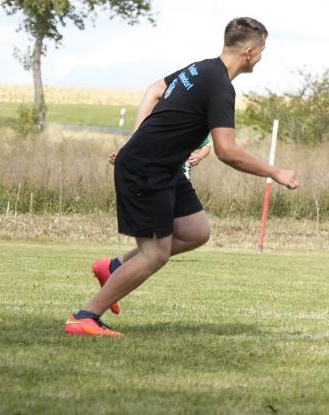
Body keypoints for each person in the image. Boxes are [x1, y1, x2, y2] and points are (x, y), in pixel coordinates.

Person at [67, 17, 298, 336]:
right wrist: (275, 172)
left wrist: (136, 140)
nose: (261, 57)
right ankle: (85, 317)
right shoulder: (221, 86)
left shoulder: (200, 68)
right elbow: (226, 151)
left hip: (165, 166)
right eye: (261, 51)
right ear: (248, 52)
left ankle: (114, 267)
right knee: (155, 254)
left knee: (194, 231)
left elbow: (154, 90)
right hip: (147, 168)